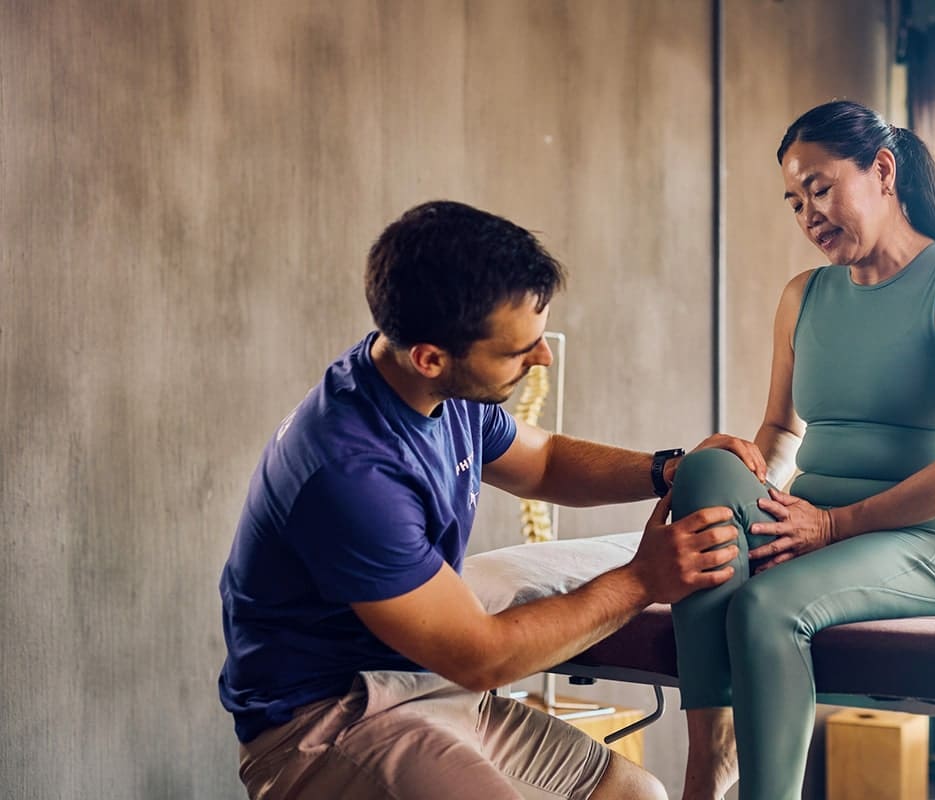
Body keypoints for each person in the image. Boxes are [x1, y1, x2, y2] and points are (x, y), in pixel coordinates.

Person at [218, 200, 767, 800]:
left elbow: (545, 462)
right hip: (331, 717)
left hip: (421, 679)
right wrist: (644, 579)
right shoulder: (350, 472)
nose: (543, 356)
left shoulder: (433, 385)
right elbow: (482, 657)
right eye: (518, 350)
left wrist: (666, 470)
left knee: (637, 794)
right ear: (431, 356)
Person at [670, 100, 935, 800]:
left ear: (882, 171)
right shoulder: (803, 295)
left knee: (764, 607)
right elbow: (779, 432)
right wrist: (743, 469)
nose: (808, 215)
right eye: (794, 202)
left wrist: (830, 526)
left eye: (821, 189)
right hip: (811, 523)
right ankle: (711, 752)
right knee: (706, 469)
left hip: (923, 539)